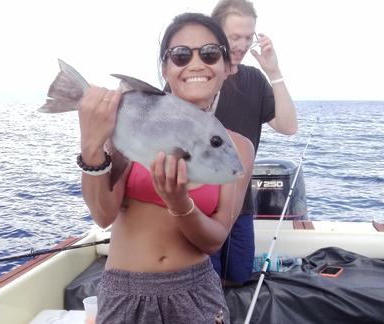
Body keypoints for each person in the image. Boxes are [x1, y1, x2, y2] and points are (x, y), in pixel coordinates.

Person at [77, 13, 254, 324]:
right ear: (165, 68)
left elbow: (215, 239)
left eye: (210, 54)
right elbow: (104, 215)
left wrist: (180, 204)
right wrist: (91, 146)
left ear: (227, 67)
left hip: (196, 294)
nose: (196, 64)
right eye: (181, 55)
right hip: (123, 294)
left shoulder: (237, 147)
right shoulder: (133, 125)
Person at [209, 0, 298, 286]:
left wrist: (274, 72)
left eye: (249, 37)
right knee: (204, 282)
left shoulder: (255, 80)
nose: (243, 44)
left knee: (237, 277)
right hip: (199, 205)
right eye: (235, 37)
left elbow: (288, 126)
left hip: (240, 206)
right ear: (216, 32)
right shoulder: (196, 75)